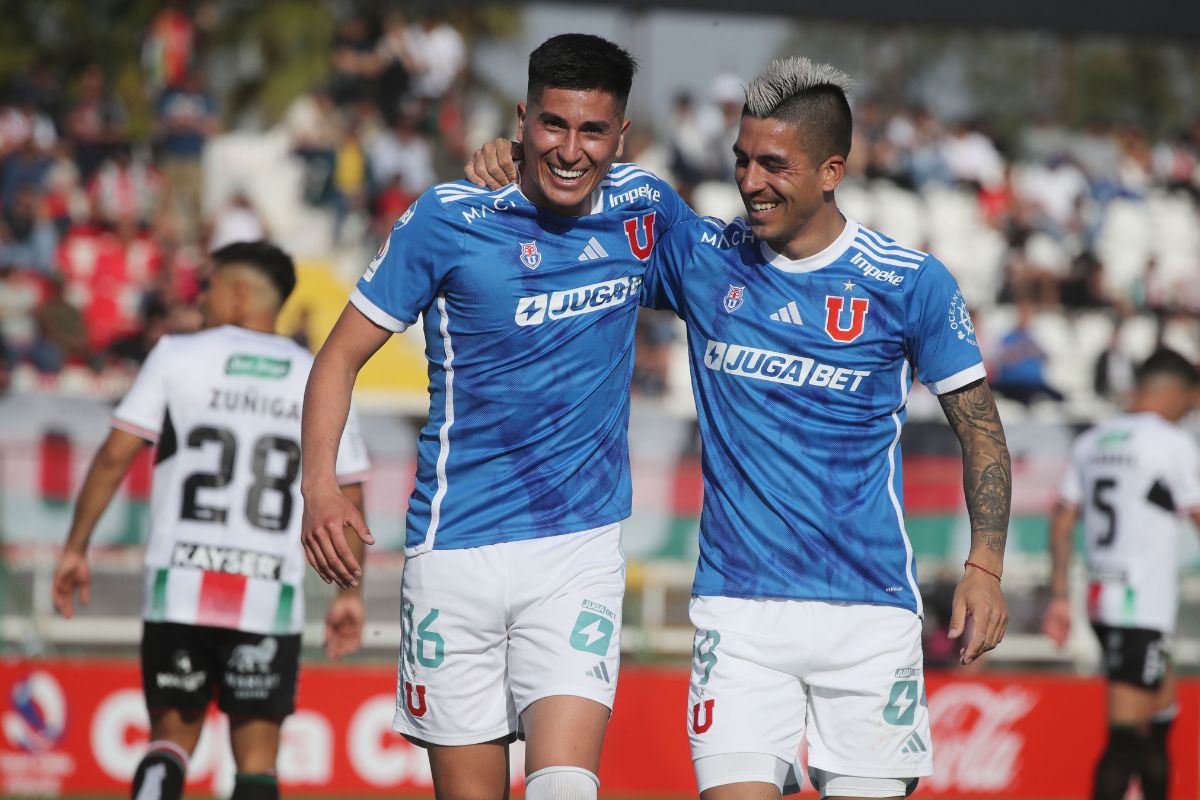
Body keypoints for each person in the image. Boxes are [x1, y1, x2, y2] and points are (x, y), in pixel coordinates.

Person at [468, 56, 1011, 800]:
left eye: (774, 165)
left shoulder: (910, 283)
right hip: (738, 614)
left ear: (832, 170)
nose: (751, 182)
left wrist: (985, 565)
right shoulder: (703, 258)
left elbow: (981, 430)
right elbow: (581, 204)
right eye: (742, 160)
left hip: (870, 614)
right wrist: (518, 158)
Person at [300, 34, 694, 800]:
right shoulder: (448, 216)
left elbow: (738, 285)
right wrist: (319, 486)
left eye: (592, 131)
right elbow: (337, 358)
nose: (570, 151)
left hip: (576, 551)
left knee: (565, 787)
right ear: (522, 120)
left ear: (620, 135)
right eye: (553, 125)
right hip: (454, 553)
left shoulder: (645, 210)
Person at [51, 241, 371, 800]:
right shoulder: (316, 373)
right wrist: (349, 592)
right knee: (257, 763)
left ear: (239, 294)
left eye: (209, 287)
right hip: (268, 594)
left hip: (179, 588)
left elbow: (113, 458)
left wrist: (76, 546)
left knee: (169, 742)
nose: (199, 299)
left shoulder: (177, 355)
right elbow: (349, 493)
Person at [1042, 348, 1200, 800]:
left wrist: (1059, 596)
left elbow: (1062, 522)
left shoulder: (1093, 441)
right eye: (1190, 400)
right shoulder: (1171, 443)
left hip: (1101, 597)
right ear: (1172, 392)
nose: (1191, 409)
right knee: (1126, 734)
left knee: (1161, 716)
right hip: (1140, 605)